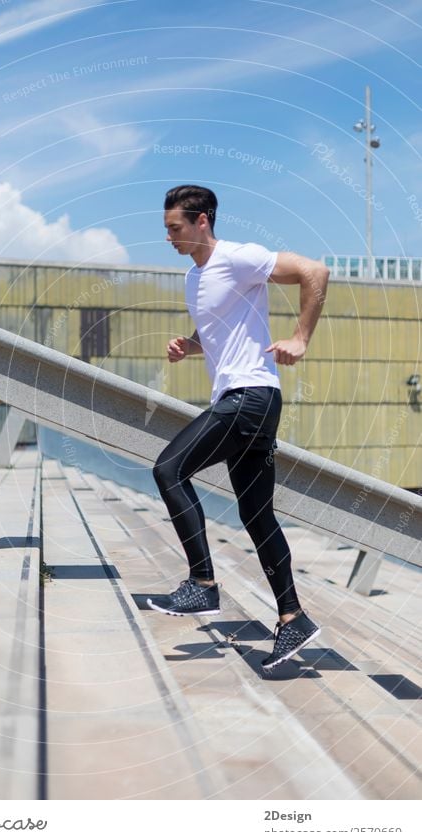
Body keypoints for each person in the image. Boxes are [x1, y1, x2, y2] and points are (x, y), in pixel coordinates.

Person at [146, 184, 329, 671]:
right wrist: (192, 346)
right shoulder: (193, 279)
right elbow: (222, 337)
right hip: (247, 399)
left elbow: (315, 271)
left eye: (175, 228)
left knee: (169, 469)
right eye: (166, 229)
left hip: (249, 397)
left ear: (202, 220)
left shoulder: (239, 257)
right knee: (256, 515)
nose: (169, 237)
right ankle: (293, 616)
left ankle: (202, 584)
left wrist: (300, 337)